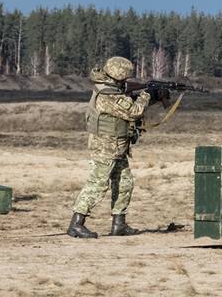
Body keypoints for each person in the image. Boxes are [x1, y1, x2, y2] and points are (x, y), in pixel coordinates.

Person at [67, 56, 164, 239]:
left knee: (125, 182)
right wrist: (147, 95)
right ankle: (76, 223)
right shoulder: (107, 95)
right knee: (98, 184)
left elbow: (128, 104)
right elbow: (134, 112)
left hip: (118, 146)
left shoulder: (113, 89)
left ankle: (119, 224)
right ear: (119, 75)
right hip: (105, 147)